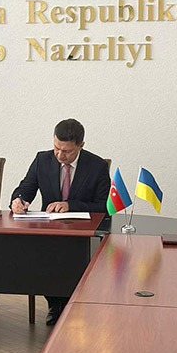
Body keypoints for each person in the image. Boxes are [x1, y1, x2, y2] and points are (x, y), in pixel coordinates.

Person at [10, 118, 110, 325]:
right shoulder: (42, 160)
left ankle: (72, 306)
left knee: (71, 258)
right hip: (50, 231)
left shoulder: (97, 166)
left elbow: (103, 207)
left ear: (81, 146)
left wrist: (70, 205)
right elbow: (25, 189)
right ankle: (55, 305)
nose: (60, 155)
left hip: (82, 234)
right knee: (39, 256)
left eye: (67, 151)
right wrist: (18, 200)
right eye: (56, 148)